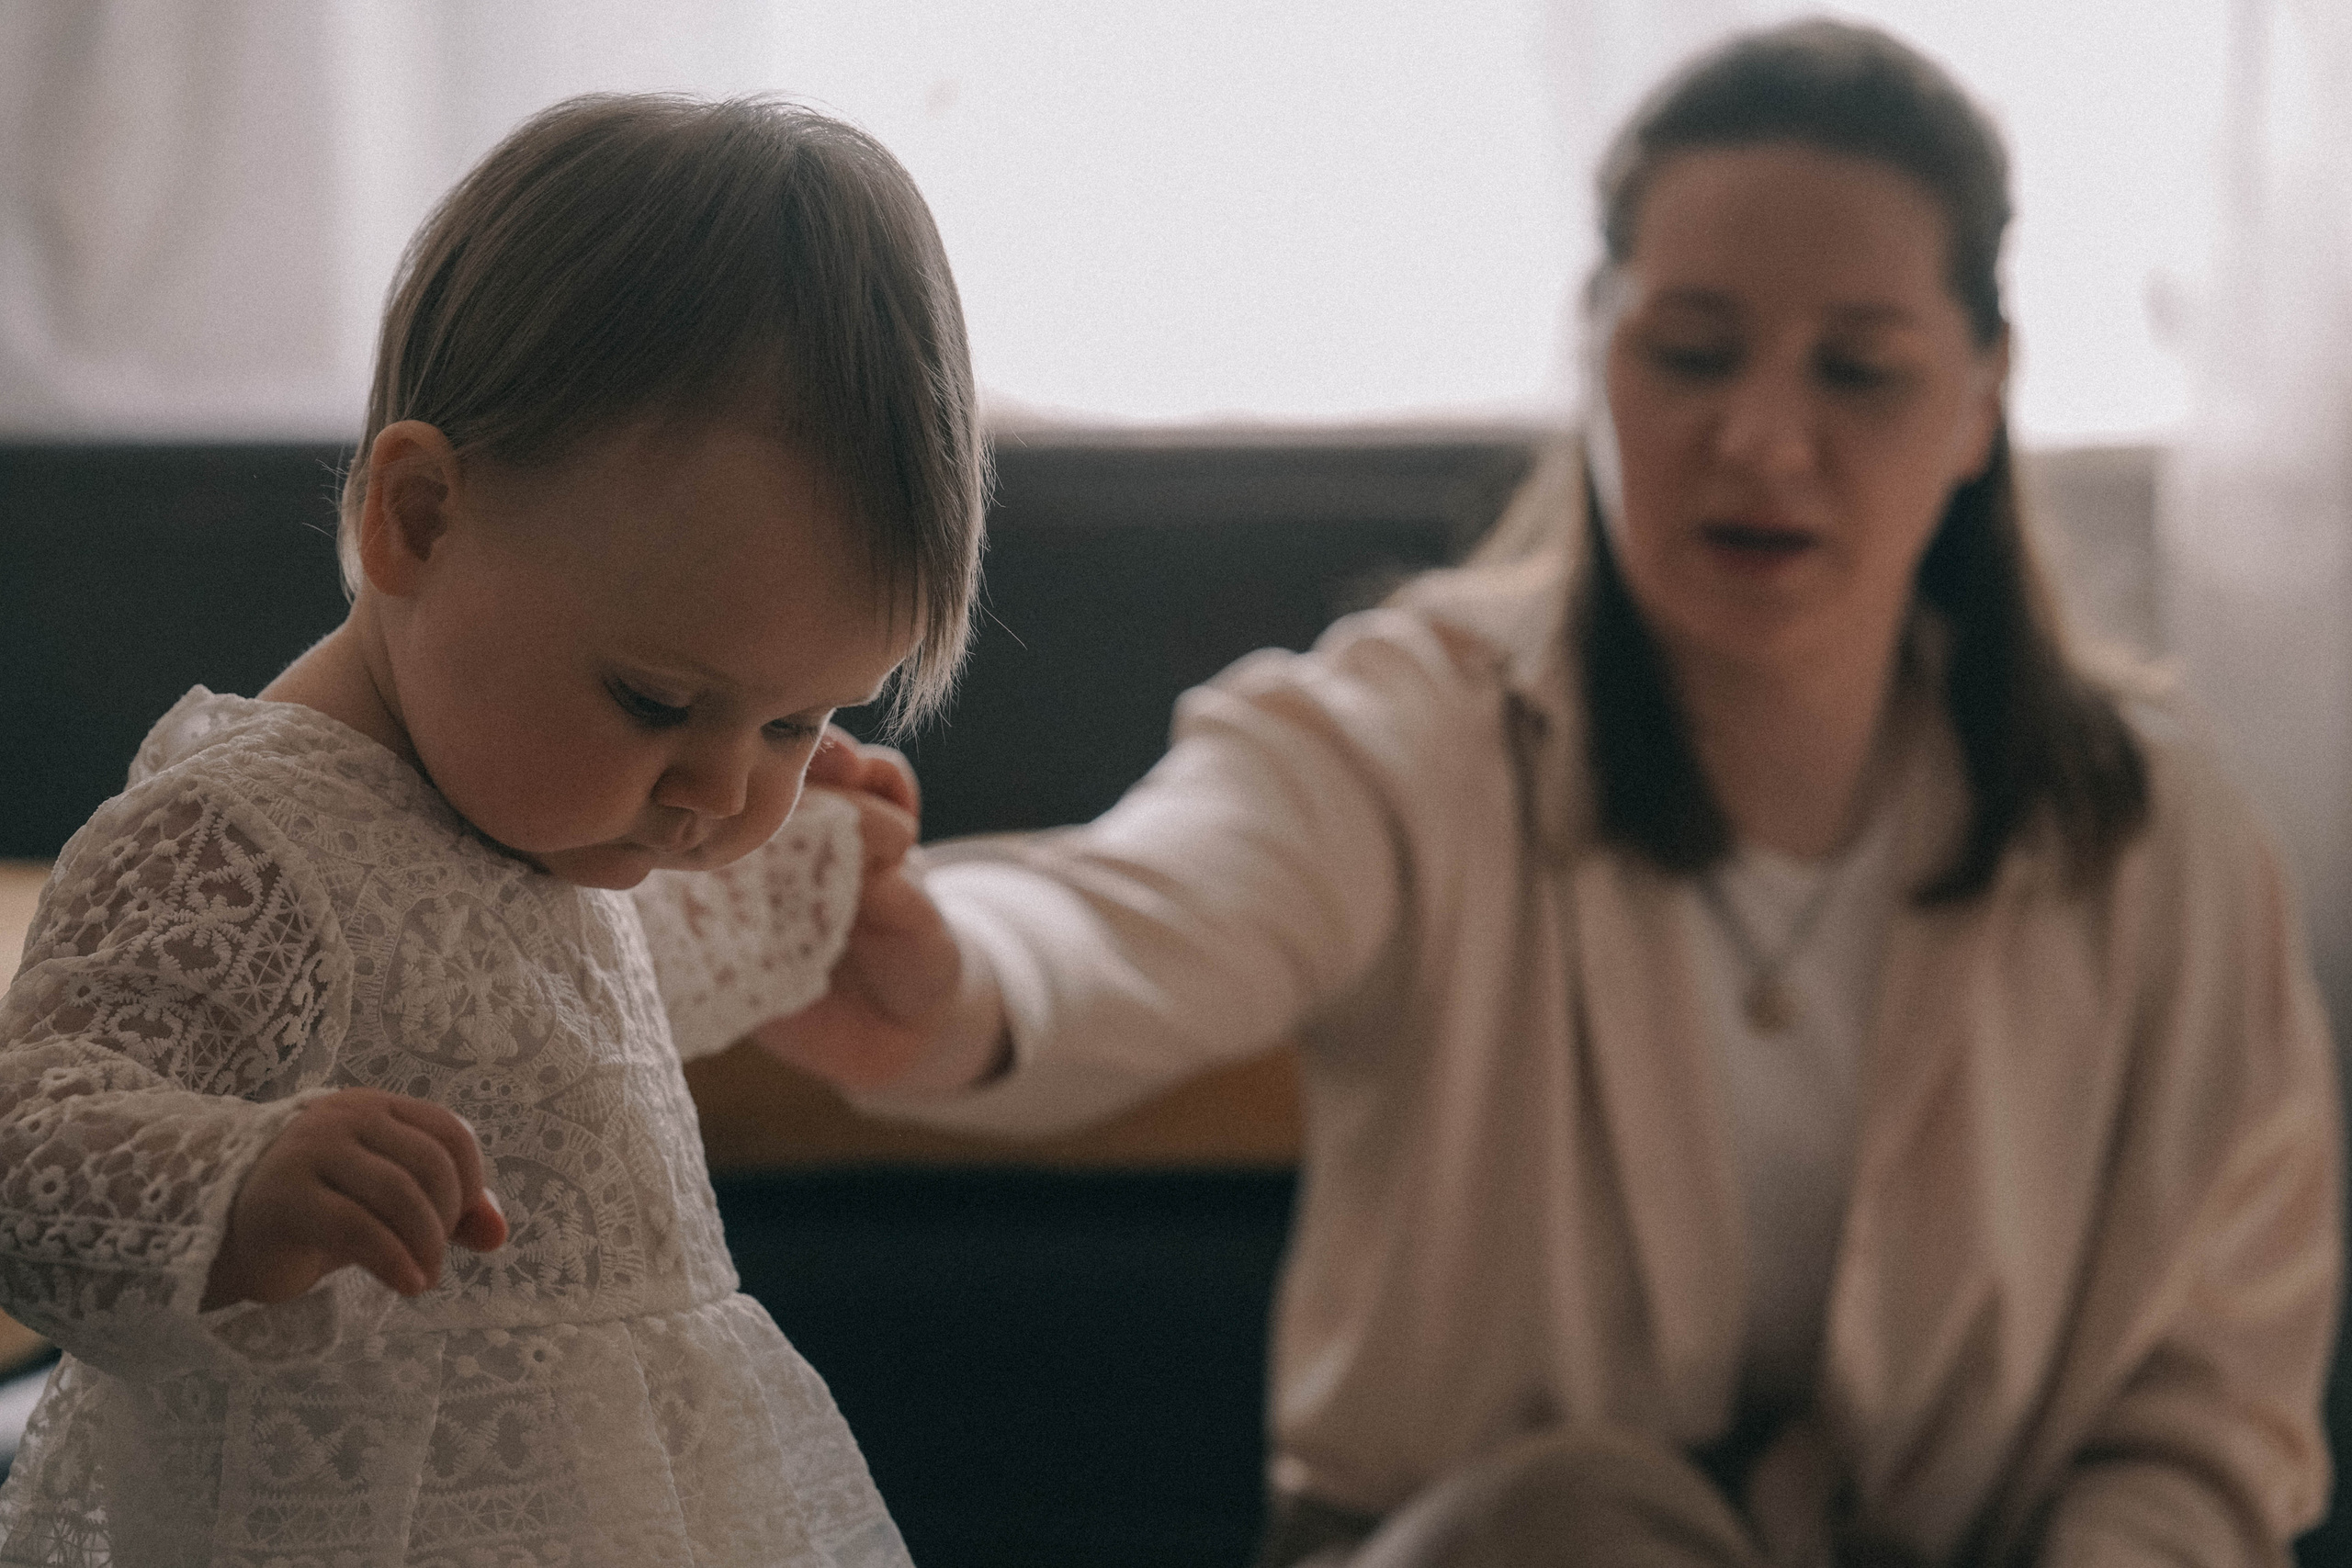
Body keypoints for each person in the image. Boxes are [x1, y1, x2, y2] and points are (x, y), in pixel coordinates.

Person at [778, 20, 2341, 1567]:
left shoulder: (2159, 843)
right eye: (1692, 351)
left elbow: (2208, 1417)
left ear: (1983, 395)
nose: (1761, 436)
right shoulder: (1425, 729)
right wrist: (946, 975)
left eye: (1859, 371)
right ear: (1592, 345)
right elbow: (1144, 903)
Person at [0, 94, 982, 1565]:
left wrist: (809, 876)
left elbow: (558, 1017)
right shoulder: (238, 839)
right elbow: (31, 1133)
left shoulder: (533, 817)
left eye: (798, 724)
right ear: (418, 516)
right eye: (661, 698)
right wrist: (231, 1181)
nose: (721, 793)